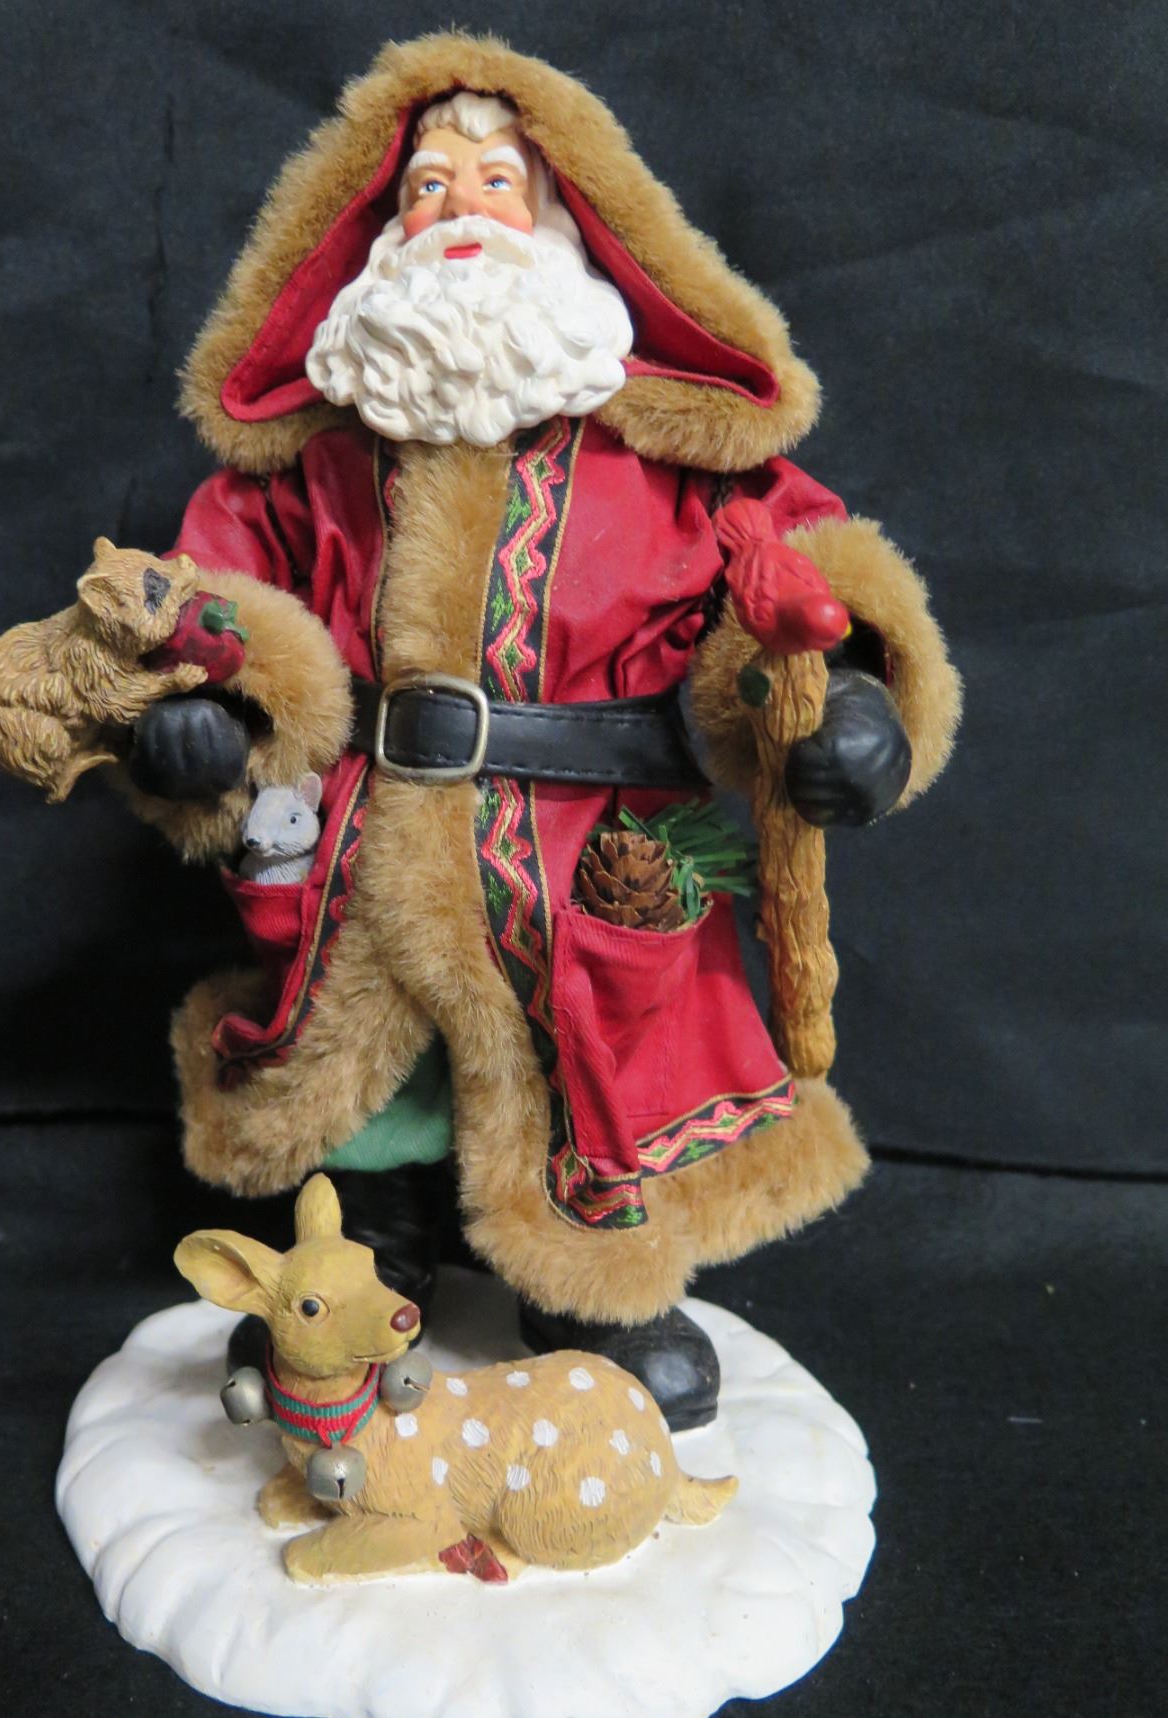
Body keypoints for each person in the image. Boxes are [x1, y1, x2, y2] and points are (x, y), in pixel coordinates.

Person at [96, 38, 960, 1427]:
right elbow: (219, 599)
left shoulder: (676, 456)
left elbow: (790, 583)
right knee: (363, 1056)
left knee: (597, 1050)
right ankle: (360, 1262)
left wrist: (852, 698)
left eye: (496, 182)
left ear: (573, 227)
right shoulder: (318, 461)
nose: (458, 210)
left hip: (590, 834)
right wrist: (202, 718)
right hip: (365, 830)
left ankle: (594, 1286)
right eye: (425, 189)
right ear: (373, 234)